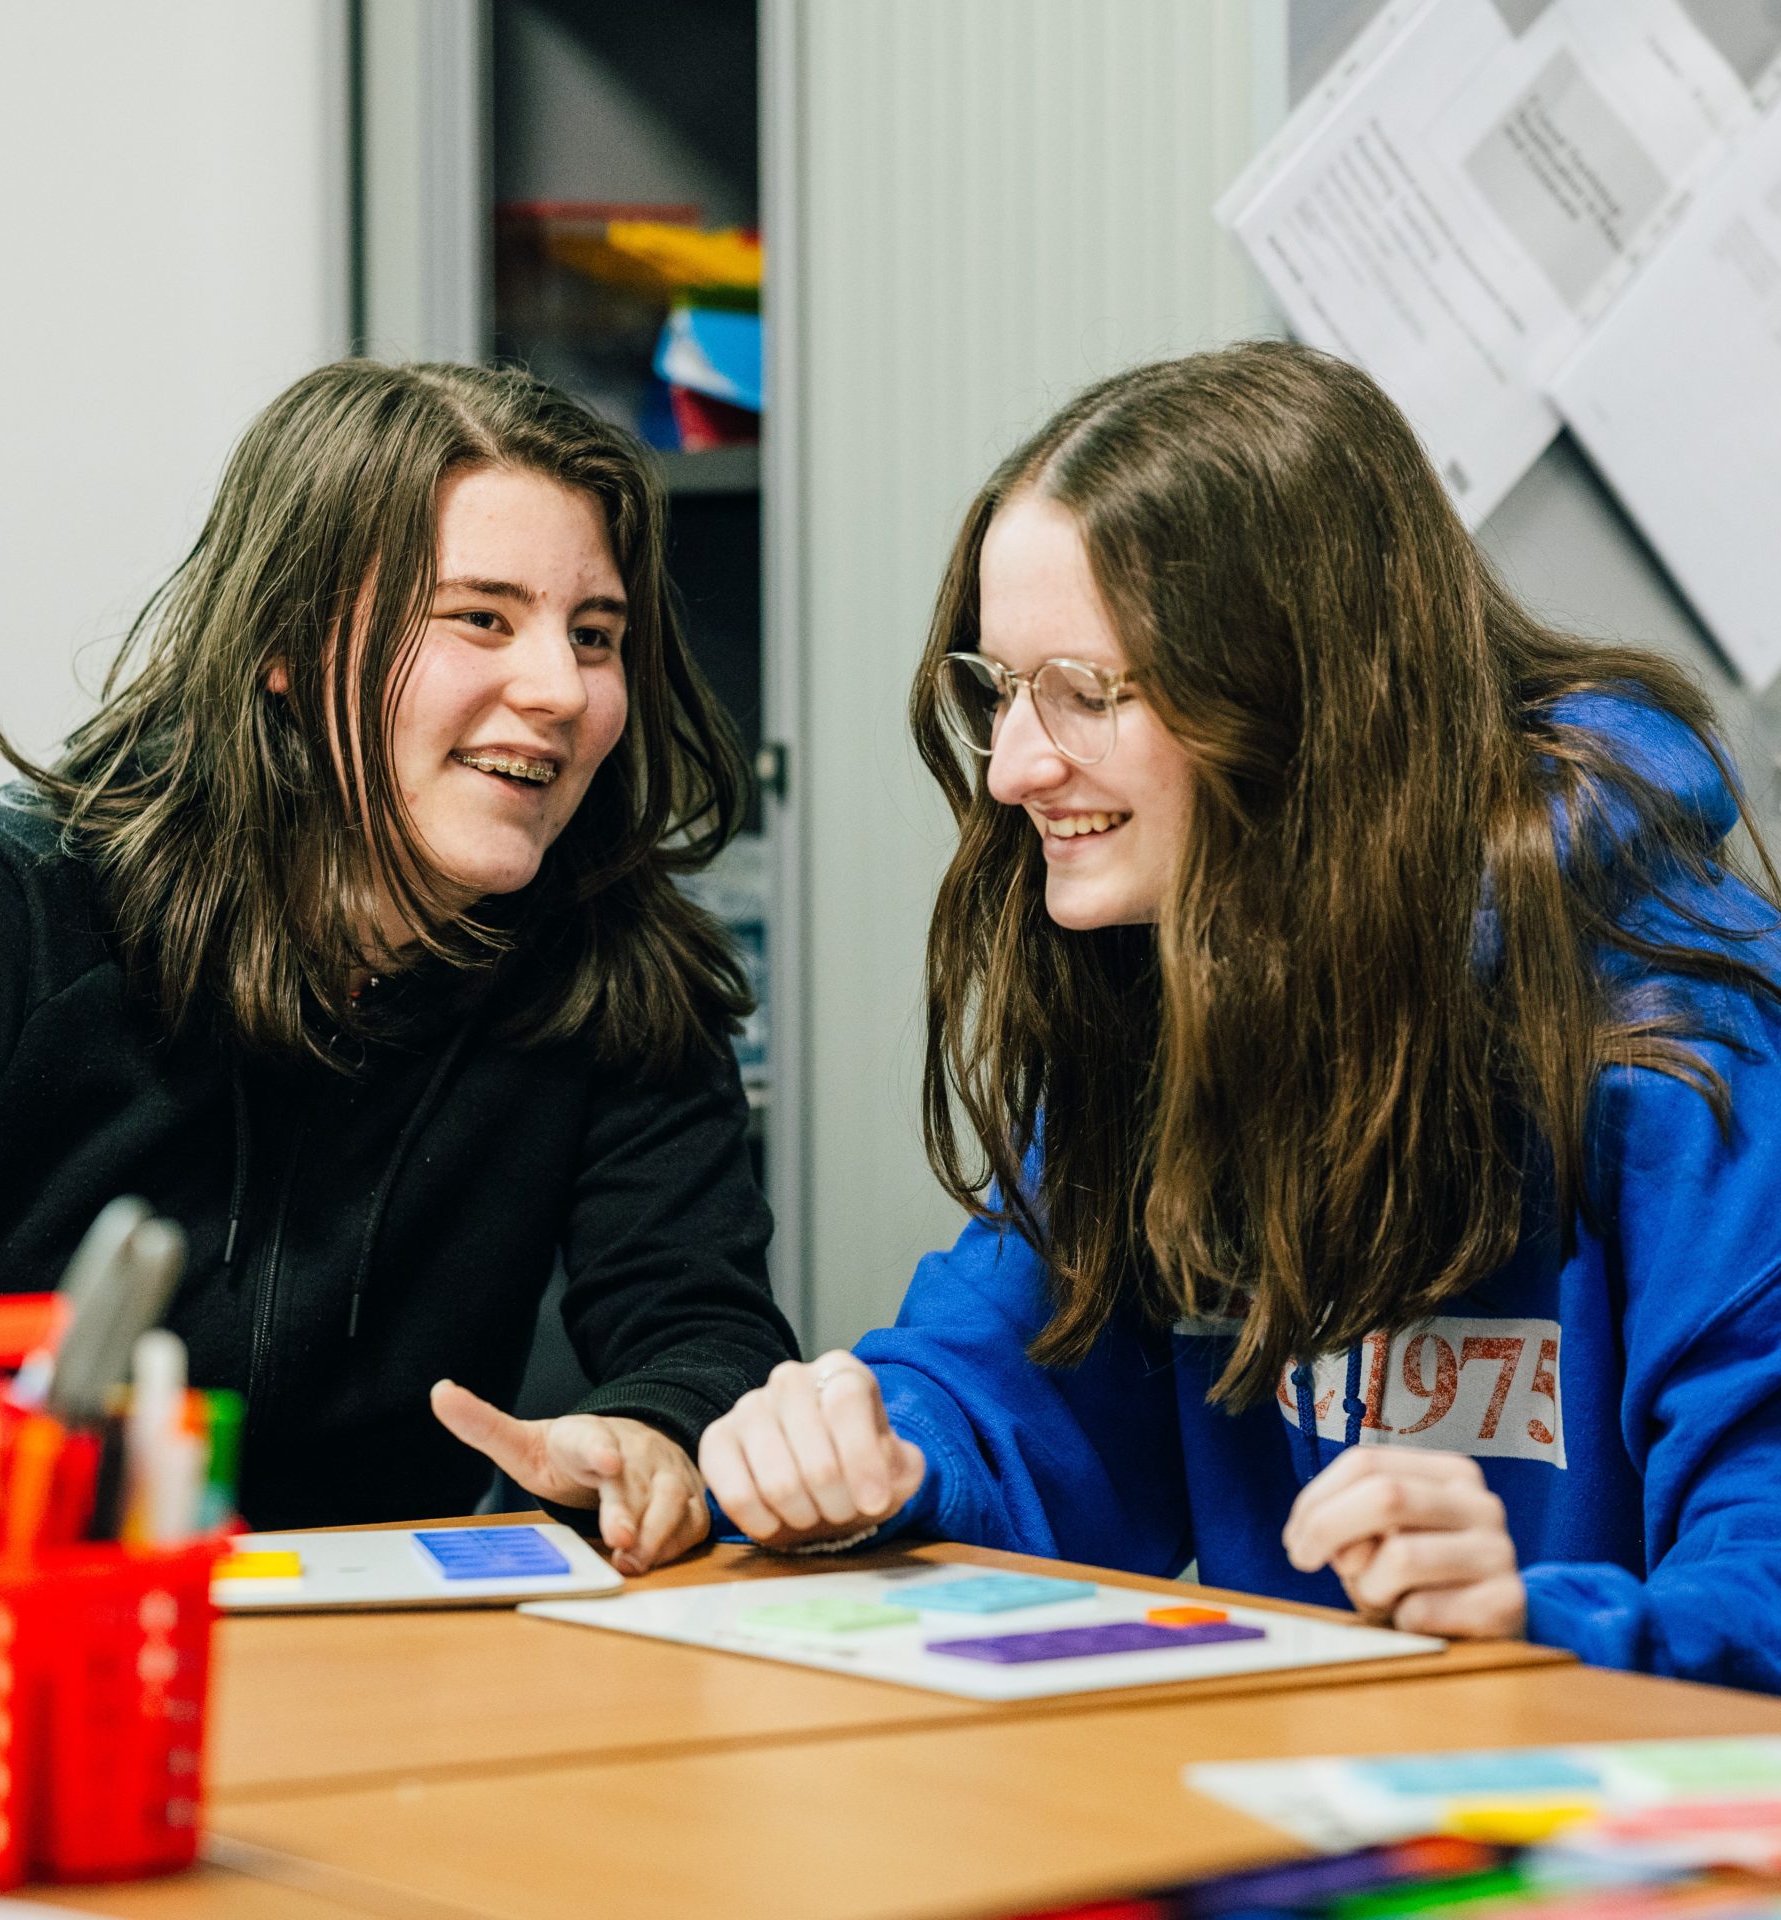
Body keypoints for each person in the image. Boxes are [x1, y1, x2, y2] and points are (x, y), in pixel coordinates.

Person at [699, 340, 1781, 1688]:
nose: (1017, 767)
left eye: (1086, 694)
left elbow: (1765, 1547)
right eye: (1000, 691)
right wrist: (874, 1444)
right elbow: (1024, 1389)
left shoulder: (1685, 1036)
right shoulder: (1172, 978)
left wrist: (1552, 1622)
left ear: (1306, 704)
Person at [0, 359, 797, 1569]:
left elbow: (703, 1325)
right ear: (288, 647)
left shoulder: (619, 964)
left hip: (392, 1665)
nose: (561, 690)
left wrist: (652, 1435)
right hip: (12, 1638)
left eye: (596, 634)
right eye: (481, 617)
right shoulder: (18, 906)